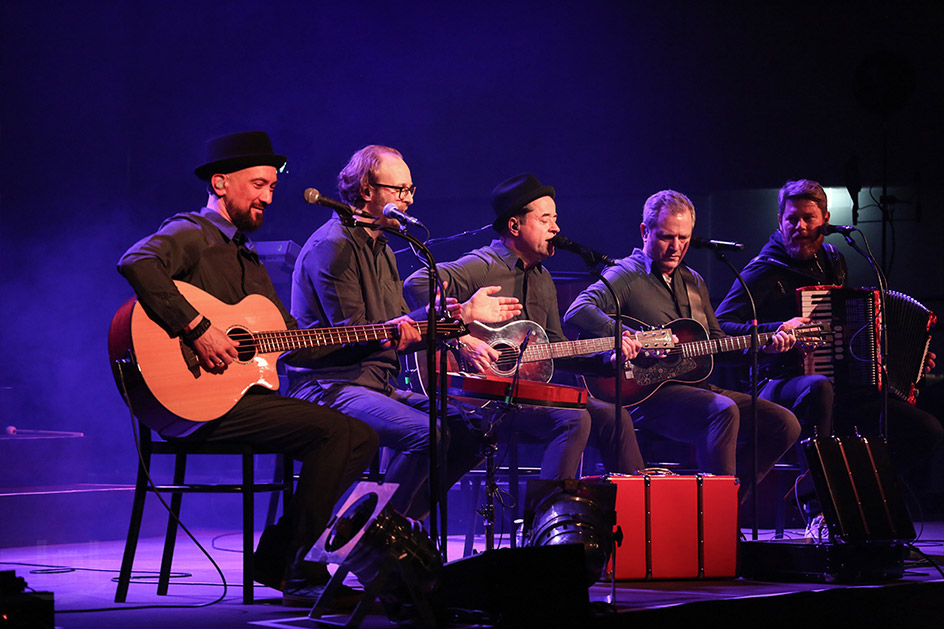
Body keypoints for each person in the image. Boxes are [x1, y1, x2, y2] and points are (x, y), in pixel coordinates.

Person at [117, 131, 379, 607]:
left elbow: (291, 345)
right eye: (257, 184)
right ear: (220, 183)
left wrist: (376, 335)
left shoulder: (250, 259)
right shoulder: (191, 231)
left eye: (272, 187)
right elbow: (137, 261)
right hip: (196, 403)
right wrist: (197, 328)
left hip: (243, 399)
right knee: (345, 435)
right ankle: (296, 570)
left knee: (353, 434)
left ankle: (283, 560)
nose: (267, 196)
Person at [283, 145, 522, 520]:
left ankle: (396, 528)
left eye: (411, 190)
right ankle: (366, 538)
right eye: (399, 191)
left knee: (471, 430)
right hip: (329, 385)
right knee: (429, 434)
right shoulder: (333, 247)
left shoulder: (382, 249)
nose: (408, 201)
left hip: (375, 383)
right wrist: (414, 326)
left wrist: (455, 315)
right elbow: (359, 334)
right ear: (366, 190)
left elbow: (396, 323)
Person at [403, 173, 648, 478]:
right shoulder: (484, 265)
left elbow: (556, 347)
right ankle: (548, 517)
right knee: (574, 419)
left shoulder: (543, 278)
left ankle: (632, 510)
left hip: (524, 395)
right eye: (546, 219)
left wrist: (609, 358)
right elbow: (417, 283)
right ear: (515, 225)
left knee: (615, 415)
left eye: (556, 219)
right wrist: (463, 336)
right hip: (477, 399)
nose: (556, 228)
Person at [563, 189, 802, 494]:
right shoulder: (625, 275)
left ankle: (724, 505)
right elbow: (577, 310)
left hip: (695, 389)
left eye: (684, 238)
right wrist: (624, 335)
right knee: (722, 410)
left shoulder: (694, 281)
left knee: (784, 424)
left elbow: (717, 343)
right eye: (666, 237)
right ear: (644, 231)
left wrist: (761, 345)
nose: (676, 247)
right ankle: (717, 519)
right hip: (646, 396)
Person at [715, 179, 942, 473]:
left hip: (839, 386)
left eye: (809, 218)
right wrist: (777, 330)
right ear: (780, 222)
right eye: (792, 219)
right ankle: (816, 503)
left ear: (825, 220)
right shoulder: (763, 270)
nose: (800, 227)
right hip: (775, 383)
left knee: (927, 429)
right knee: (818, 385)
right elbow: (720, 326)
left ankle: (871, 492)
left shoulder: (834, 260)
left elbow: (849, 330)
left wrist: (904, 360)